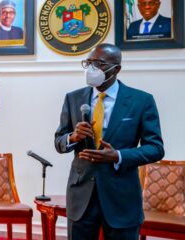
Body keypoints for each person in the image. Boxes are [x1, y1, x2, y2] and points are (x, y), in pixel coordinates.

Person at [54, 43, 164, 240]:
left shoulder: (141, 101)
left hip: (121, 198)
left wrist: (118, 156)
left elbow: (155, 148)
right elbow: (59, 141)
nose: (91, 69)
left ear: (117, 69)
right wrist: (72, 137)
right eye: (88, 63)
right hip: (81, 197)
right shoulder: (73, 98)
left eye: (98, 63)